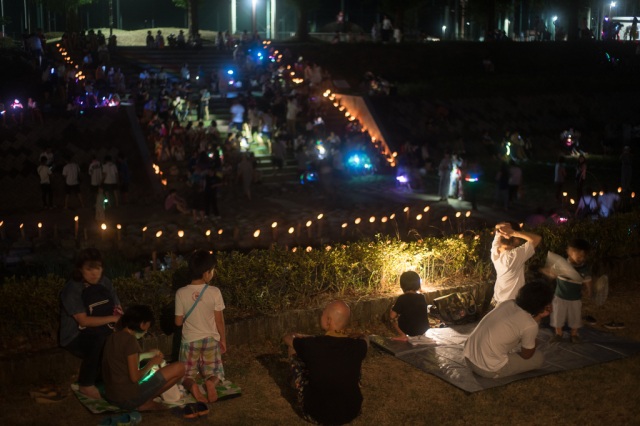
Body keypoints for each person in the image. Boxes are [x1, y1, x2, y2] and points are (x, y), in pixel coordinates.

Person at [283, 300, 368, 425]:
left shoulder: (312, 345)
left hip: (317, 414)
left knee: (293, 349)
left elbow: (287, 338)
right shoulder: (358, 346)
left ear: (328, 321)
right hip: (351, 411)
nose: (321, 315)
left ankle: (296, 382)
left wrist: (304, 336)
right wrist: (354, 334)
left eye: (322, 313)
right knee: (352, 362)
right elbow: (365, 338)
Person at [59, 248, 122, 399]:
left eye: (98, 268)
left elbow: (118, 308)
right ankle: (86, 384)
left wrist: (120, 322)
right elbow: (83, 320)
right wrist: (113, 319)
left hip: (102, 328)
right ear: (80, 269)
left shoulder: (105, 283)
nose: (94, 273)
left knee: (119, 339)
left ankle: (115, 379)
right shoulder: (72, 289)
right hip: (75, 336)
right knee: (99, 338)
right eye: (89, 269)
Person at [463, 280, 554, 378]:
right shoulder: (530, 325)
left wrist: (537, 316)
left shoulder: (508, 303)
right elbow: (527, 355)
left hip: (469, 356)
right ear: (543, 306)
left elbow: (524, 322)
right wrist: (539, 317)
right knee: (538, 358)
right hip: (488, 369)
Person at [102, 305, 185, 410]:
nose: (147, 330)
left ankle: (143, 401)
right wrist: (152, 362)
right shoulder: (130, 340)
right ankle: (145, 401)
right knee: (180, 367)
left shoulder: (113, 336)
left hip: (111, 396)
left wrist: (148, 354)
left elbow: (123, 358)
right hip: (128, 399)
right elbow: (135, 377)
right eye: (148, 326)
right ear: (142, 324)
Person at [175, 250, 226, 403]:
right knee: (216, 371)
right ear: (206, 273)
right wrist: (223, 340)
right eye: (212, 270)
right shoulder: (215, 292)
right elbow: (219, 321)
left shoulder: (180, 293)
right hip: (210, 339)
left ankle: (193, 387)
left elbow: (178, 322)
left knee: (186, 374)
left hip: (190, 340)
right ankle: (211, 383)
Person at [548, 239, 592, 344]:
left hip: (575, 298)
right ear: (569, 251)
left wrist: (589, 290)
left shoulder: (584, 269)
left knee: (575, 317)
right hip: (559, 296)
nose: (581, 258)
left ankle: (574, 334)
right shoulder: (561, 264)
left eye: (583, 256)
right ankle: (558, 334)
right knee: (557, 316)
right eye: (579, 256)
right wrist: (551, 273)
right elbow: (552, 274)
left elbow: (588, 281)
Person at [491, 222, 542, 305]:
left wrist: (499, 228)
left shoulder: (495, 251)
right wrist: (514, 233)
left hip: (498, 299)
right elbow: (537, 239)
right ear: (514, 238)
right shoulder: (513, 256)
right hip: (511, 304)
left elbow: (497, 234)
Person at [389, 271, 430, 340]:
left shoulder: (402, 298)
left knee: (392, 318)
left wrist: (392, 308)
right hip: (423, 329)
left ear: (402, 285)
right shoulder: (422, 297)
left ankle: (402, 335)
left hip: (408, 330)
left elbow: (392, 316)